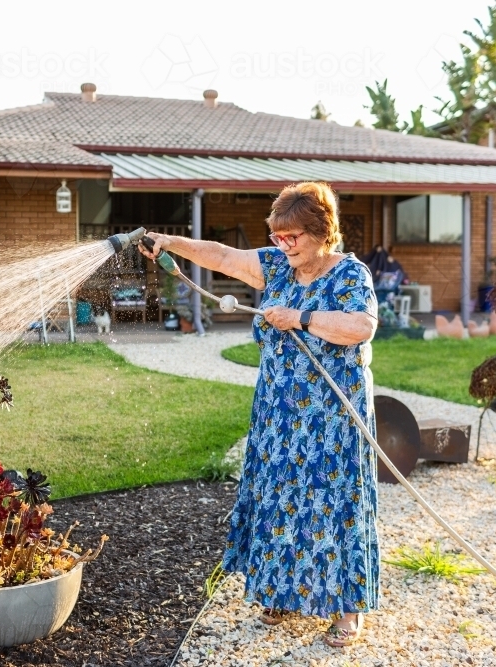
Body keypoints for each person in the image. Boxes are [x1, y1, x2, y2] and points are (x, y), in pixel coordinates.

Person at [140, 182, 379, 647]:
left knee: (335, 505)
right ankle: (283, 591)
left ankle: (347, 608)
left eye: (293, 238)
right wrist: (170, 243)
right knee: (281, 500)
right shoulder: (274, 266)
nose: (283, 246)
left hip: (333, 419)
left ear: (322, 233)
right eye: (277, 236)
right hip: (278, 415)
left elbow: (361, 327)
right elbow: (223, 257)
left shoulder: (350, 275)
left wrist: (302, 318)